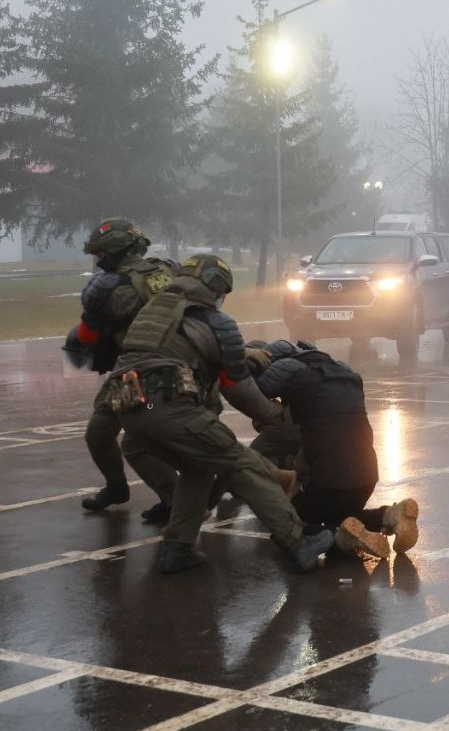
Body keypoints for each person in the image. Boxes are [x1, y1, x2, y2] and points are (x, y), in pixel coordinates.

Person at [110, 254, 334, 574]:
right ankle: (298, 541)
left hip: (132, 408)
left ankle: (177, 548)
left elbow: (173, 348)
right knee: (239, 462)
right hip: (168, 407)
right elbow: (237, 390)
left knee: (198, 464)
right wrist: (274, 413)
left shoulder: (153, 311)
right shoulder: (215, 321)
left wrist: (240, 354)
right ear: (216, 288)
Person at [252, 340, 419, 557]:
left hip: (329, 481)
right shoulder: (341, 373)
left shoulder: (291, 380)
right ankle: (389, 516)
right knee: (342, 514)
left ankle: (343, 539)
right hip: (367, 477)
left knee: (287, 526)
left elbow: (249, 396)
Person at [63, 218, 181, 520]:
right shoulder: (167, 270)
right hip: (142, 373)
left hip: (147, 376)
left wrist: (79, 341)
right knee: (100, 433)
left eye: (100, 253)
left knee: (137, 442)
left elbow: (88, 335)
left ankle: (178, 502)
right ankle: (118, 488)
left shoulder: (115, 288)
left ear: (117, 250)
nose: (97, 259)